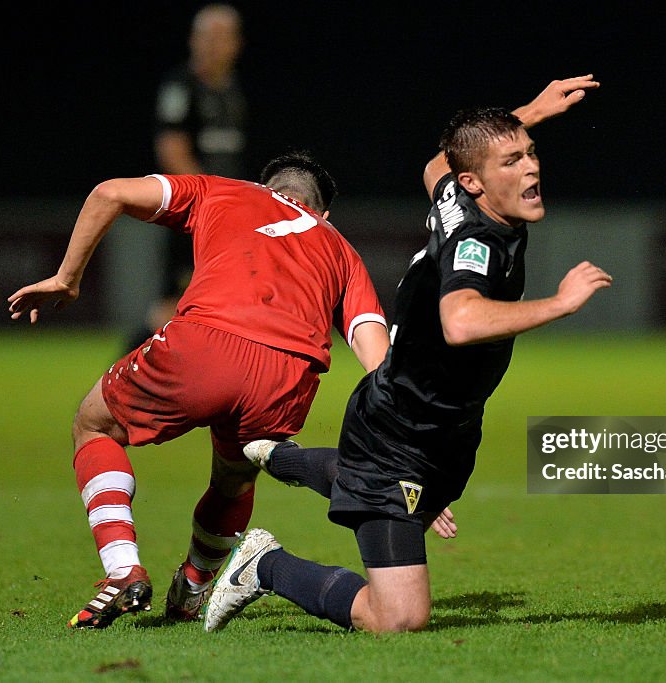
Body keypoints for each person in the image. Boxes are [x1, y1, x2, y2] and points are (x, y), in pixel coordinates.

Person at [202, 74, 612, 634]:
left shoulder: (457, 193)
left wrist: (528, 116)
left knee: (404, 499)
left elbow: (436, 167)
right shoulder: (478, 242)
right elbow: (462, 320)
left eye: (531, 154)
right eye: (513, 160)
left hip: (446, 427)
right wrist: (561, 304)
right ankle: (262, 565)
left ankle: (276, 457)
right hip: (395, 436)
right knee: (399, 617)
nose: (532, 168)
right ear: (477, 183)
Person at [7, 151, 390, 629]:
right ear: (324, 212)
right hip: (288, 377)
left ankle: (123, 569)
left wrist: (68, 278)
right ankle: (192, 589)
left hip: (207, 345)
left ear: (264, 185)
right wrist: (403, 453)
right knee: (235, 478)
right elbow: (377, 357)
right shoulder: (342, 249)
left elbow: (109, 192)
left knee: (94, 425)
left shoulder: (226, 190)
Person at [127, 3, 251, 352]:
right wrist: (208, 199)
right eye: (205, 36)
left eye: (221, 37)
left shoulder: (231, 90)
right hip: (194, 213)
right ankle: (117, 380)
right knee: (172, 306)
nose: (212, 45)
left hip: (225, 213)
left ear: (237, 44)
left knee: (209, 303)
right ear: (192, 40)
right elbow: (171, 149)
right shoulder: (181, 87)